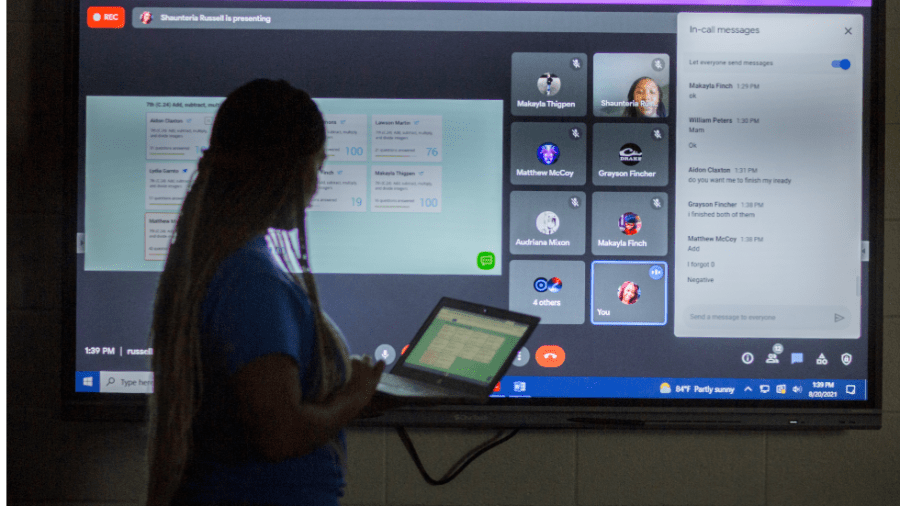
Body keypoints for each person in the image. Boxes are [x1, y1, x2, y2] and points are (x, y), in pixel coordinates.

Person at [146, 79, 385, 506]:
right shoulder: (251, 279)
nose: (317, 185)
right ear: (290, 169)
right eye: (319, 164)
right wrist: (354, 397)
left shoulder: (217, 262)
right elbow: (279, 435)